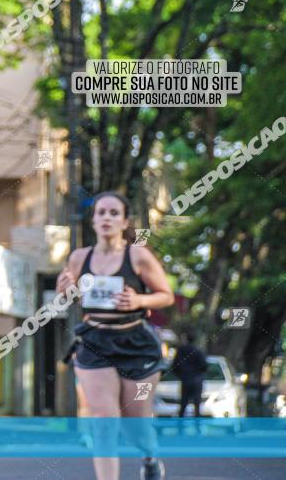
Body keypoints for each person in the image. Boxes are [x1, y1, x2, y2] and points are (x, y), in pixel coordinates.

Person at [57, 192, 175, 480]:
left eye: (113, 213)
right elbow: (73, 300)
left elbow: (166, 296)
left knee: (136, 425)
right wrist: (65, 292)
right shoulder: (79, 258)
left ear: (124, 221)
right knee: (104, 421)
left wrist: (139, 301)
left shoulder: (138, 255)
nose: (106, 218)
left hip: (135, 342)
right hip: (94, 342)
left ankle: (150, 457)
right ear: (94, 220)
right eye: (101, 213)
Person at [172, 332, 207, 417]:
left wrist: (181, 375)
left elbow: (175, 365)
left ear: (186, 339)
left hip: (185, 380)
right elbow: (204, 366)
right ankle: (197, 425)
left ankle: (180, 426)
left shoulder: (180, 350)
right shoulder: (198, 350)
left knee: (183, 403)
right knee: (197, 404)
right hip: (197, 380)